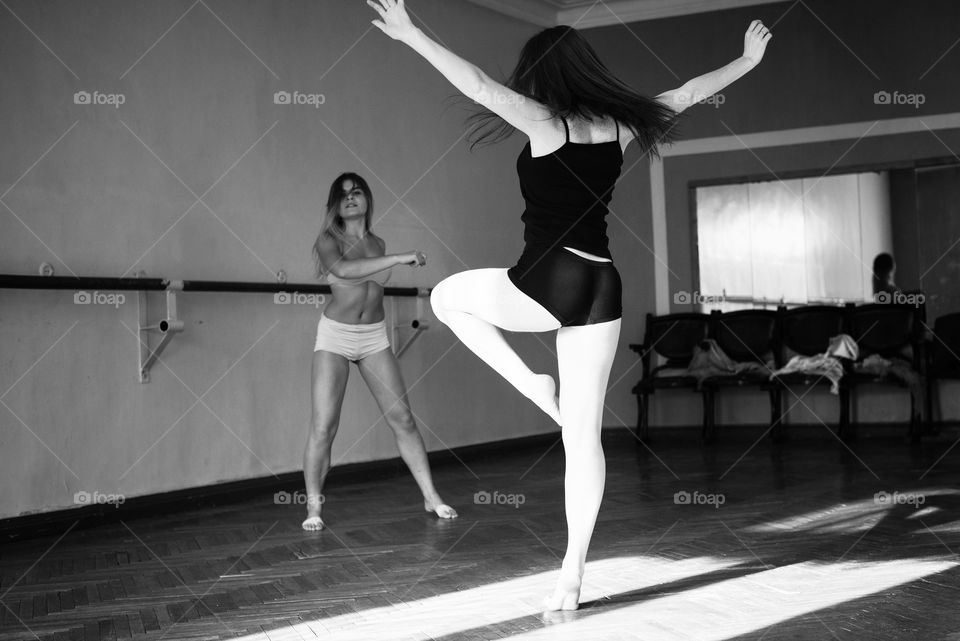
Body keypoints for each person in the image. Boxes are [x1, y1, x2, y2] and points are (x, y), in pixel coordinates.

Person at [368, 0, 770, 609]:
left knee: (449, 296)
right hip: (601, 286)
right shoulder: (620, 126)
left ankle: (531, 385)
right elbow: (687, 93)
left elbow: (476, 85)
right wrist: (747, 59)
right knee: (583, 439)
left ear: (542, 77)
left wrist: (411, 34)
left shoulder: (543, 122)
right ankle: (572, 575)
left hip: (544, 280)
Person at [302, 171, 457, 531]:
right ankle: (313, 507)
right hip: (336, 337)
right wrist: (399, 259)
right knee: (324, 425)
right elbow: (345, 270)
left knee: (402, 417)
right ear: (335, 206)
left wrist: (390, 256)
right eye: (343, 196)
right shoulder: (329, 240)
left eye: (356, 192)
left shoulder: (378, 241)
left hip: (373, 336)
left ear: (367, 198)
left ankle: (431, 496)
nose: (351, 199)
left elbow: (368, 276)